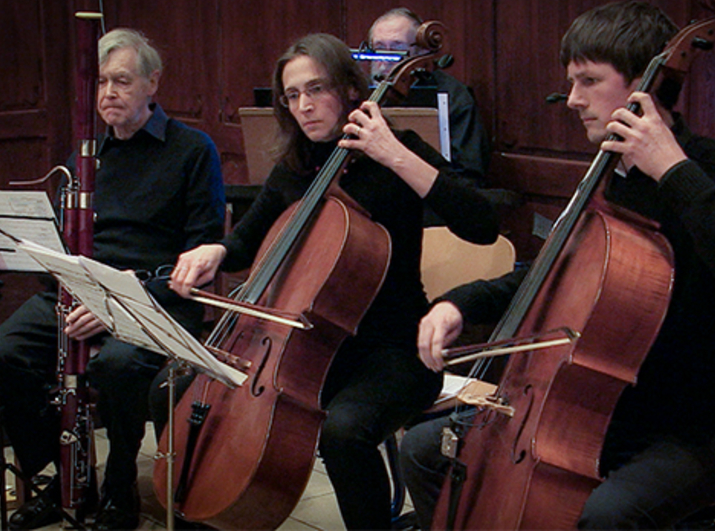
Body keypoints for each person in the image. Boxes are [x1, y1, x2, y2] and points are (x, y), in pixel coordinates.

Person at [400, 0, 715, 530]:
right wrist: (458, 303)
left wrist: (672, 170)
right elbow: (548, 276)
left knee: (608, 516)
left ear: (644, 90)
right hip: (596, 408)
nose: (572, 99)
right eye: (571, 81)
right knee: (426, 449)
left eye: (588, 80)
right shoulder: (605, 179)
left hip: (700, 429)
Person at [164, 33, 499, 530]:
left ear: (347, 89)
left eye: (315, 89)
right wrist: (216, 249)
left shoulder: (398, 153)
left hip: (395, 351)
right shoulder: (294, 170)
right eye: (292, 95)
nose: (303, 106)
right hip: (308, 349)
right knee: (174, 389)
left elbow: (482, 222)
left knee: (345, 431)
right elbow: (247, 242)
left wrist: (392, 154)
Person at [0, 28, 225, 531]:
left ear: (153, 83)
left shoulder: (192, 150)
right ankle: (62, 481)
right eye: (100, 82)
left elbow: (201, 256)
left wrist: (119, 303)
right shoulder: (87, 155)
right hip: (81, 291)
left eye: (122, 80)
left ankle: (120, 490)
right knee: (7, 350)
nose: (108, 93)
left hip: (153, 298)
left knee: (119, 367)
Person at [368, 7, 491, 190]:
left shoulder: (454, 97)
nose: (385, 59)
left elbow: (468, 174)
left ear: (420, 52)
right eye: (379, 48)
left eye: (397, 48)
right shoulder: (362, 93)